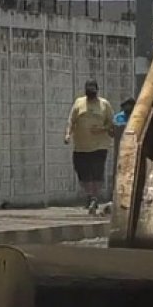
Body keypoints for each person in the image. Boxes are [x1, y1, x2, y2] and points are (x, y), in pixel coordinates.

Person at [65, 80, 115, 214]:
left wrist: (102, 129)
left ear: (97, 91)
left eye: (93, 90)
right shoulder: (79, 103)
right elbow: (71, 120)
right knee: (82, 173)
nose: (91, 93)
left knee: (97, 172)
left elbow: (112, 124)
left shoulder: (104, 105)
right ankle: (90, 195)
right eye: (89, 90)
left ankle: (94, 198)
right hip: (80, 146)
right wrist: (67, 135)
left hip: (100, 145)